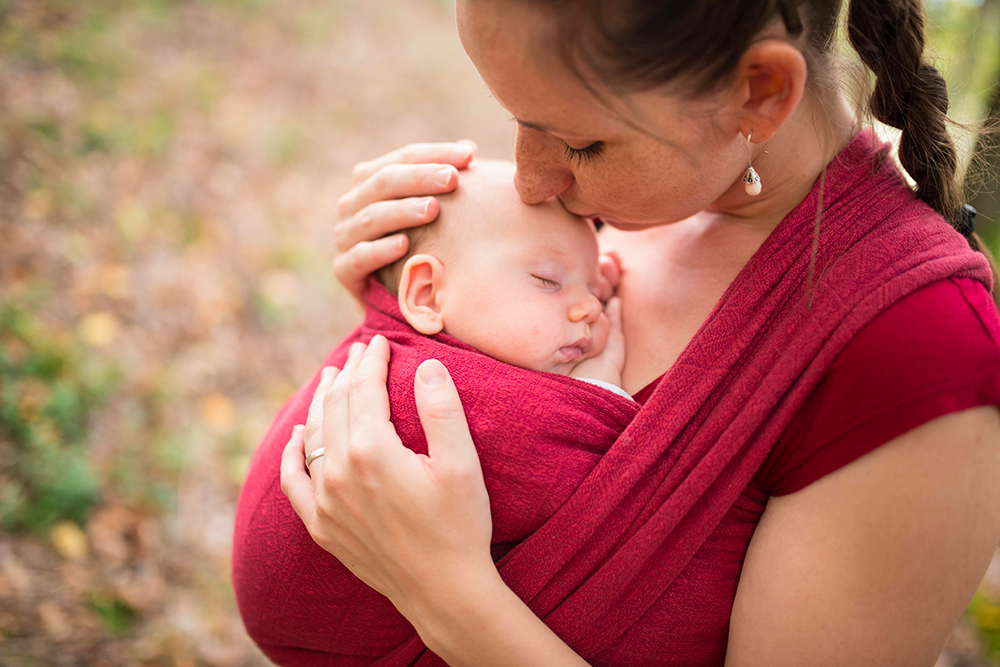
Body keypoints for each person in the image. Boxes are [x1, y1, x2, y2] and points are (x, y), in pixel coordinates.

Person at [236, 0, 1000, 665]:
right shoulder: (613, 202)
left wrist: (445, 591)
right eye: (518, 120)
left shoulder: (919, 353)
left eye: (580, 143)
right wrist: (395, 324)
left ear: (758, 93)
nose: (531, 181)